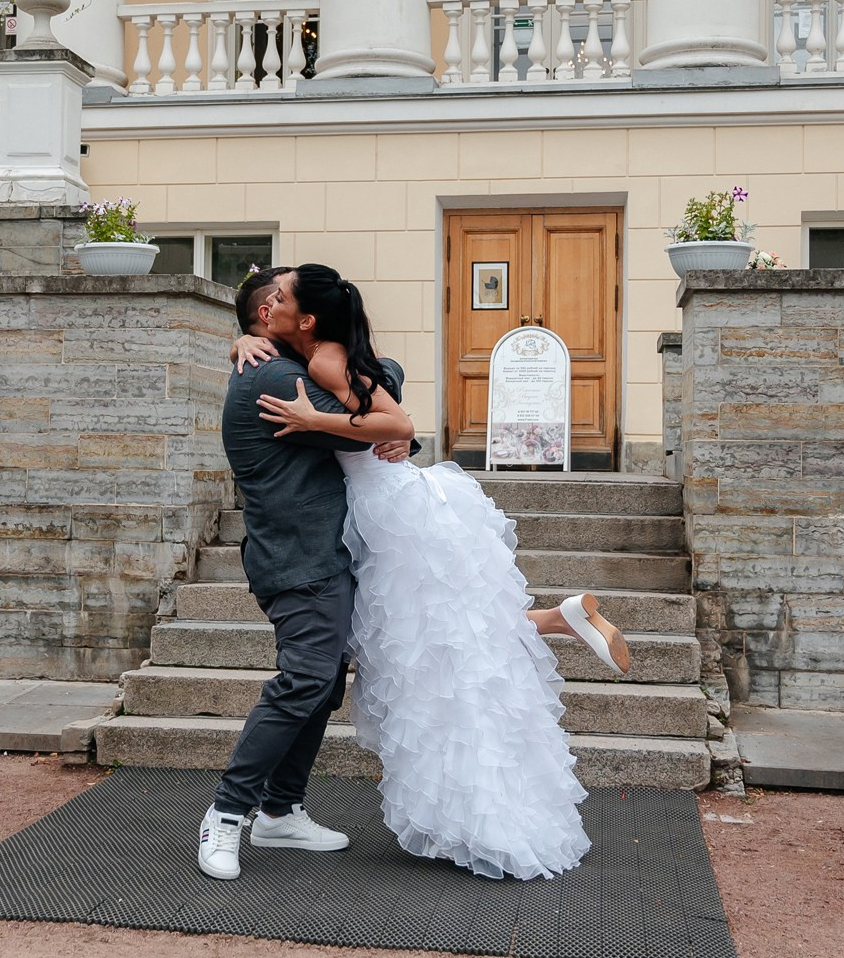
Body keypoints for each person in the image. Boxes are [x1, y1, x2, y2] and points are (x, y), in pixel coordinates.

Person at [232, 264, 629, 881]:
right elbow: (380, 387)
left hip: (389, 511)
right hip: (407, 500)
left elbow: (398, 425)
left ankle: (476, 800)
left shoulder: (318, 365)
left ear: (304, 318)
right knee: (448, 629)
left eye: (281, 298)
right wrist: (240, 340)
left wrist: (318, 422)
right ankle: (554, 618)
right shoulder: (333, 351)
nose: (270, 307)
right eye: (269, 299)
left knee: (423, 649)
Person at [198, 267, 418, 882]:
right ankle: (226, 813)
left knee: (323, 683)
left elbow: (378, 400)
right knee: (304, 680)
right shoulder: (272, 375)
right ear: (265, 315)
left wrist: (380, 418)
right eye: (278, 297)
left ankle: (280, 809)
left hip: (323, 555)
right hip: (297, 558)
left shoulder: (286, 366)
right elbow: (382, 396)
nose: (285, 305)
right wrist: (381, 418)